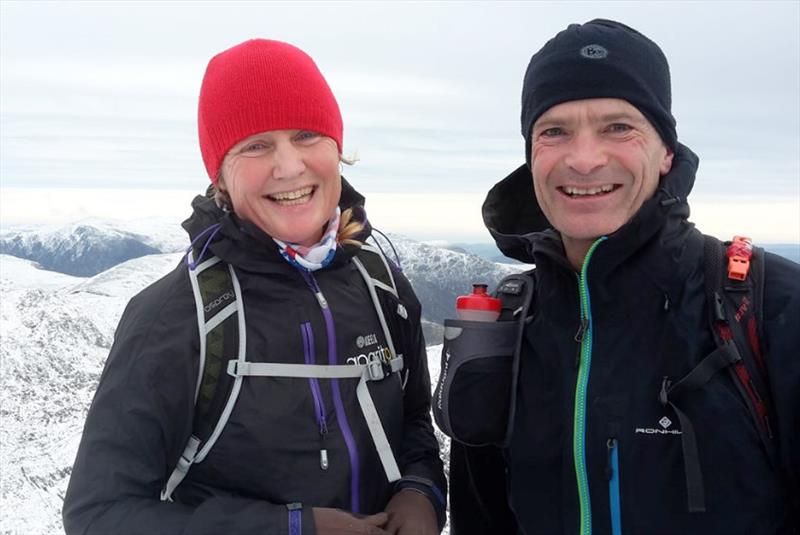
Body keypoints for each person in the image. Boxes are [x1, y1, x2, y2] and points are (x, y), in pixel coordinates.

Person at [63, 39, 446, 535]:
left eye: (307, 134)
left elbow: (413, 420)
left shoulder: (381, 285)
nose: (288, 167)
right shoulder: (179, 315)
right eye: (256, 145)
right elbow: (99, 514)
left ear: (337, 149)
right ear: (219, 177)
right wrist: (290, 529)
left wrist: (421, 492)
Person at [448, 19, 799, 535]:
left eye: (619, 127)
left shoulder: (769, 309)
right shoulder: (508, 325)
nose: (584, 159)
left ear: (666, 154)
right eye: (554, 131)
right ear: (531, 157)